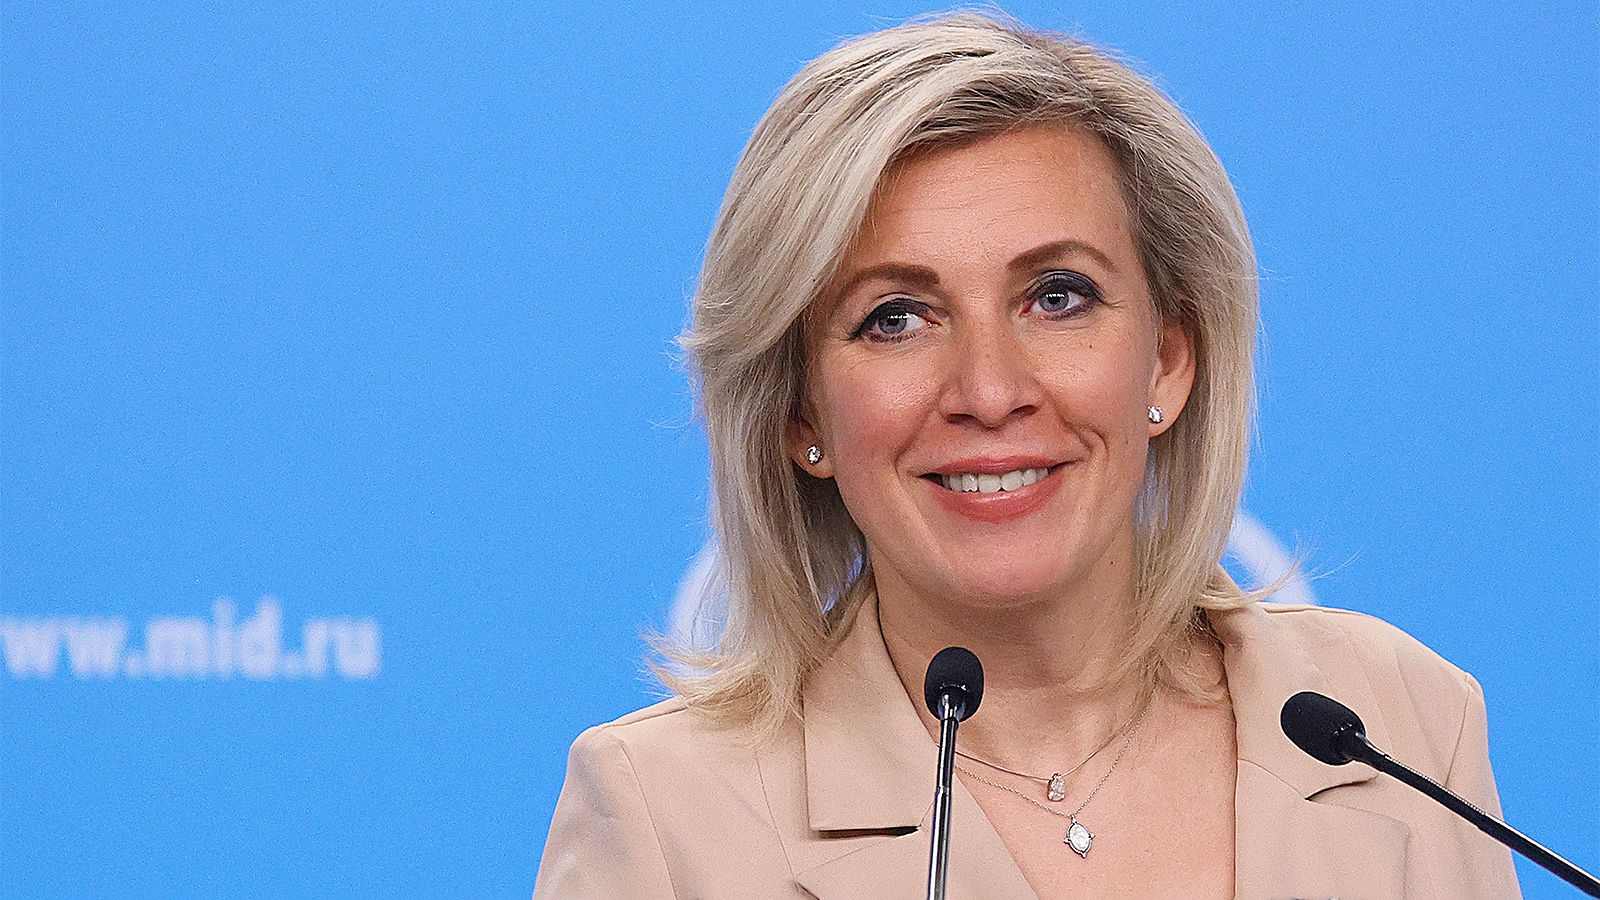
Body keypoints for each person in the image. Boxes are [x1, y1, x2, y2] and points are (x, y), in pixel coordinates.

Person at [533, 11, 1520, 899]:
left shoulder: (1400, 719)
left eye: (1056, 297)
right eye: (895, 318)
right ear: (801, 416)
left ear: (1169, 359)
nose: (990, 390)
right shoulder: (667, 821)